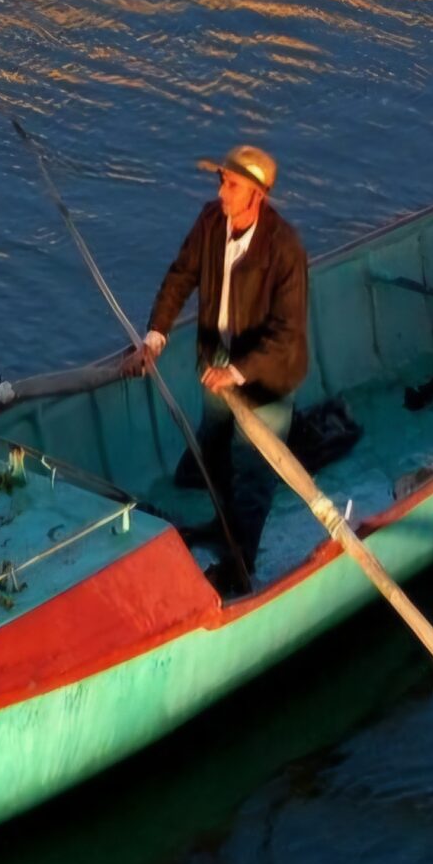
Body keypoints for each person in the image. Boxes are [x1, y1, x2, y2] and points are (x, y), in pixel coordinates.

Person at [123, 142, 309, 595]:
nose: (222, 192)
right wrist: (154, 339)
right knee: (218, 450)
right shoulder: (210, 221)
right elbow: (181, 276)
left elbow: (286, 333)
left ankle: (240, 566)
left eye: (232, 186)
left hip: (264, 376)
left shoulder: (284, 248)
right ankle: (220, 525)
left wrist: (238, 372)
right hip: (217, 361)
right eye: (222, 182)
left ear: (257, 196)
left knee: (253, 470)